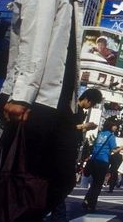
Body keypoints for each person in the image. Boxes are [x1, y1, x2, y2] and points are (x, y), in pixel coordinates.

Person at [0, 0, 102, 219]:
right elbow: (34, 41)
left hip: (60, 105)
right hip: (35, 100)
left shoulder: (74, 2)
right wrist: (20, 96)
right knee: (22, 177)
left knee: (63, 176)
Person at [49, 88, 102, 222]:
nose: (91, 107)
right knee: (61, 186)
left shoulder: (79, 111)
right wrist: (85, 126)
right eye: (92, 103)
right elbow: (65, 128)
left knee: (62, 185)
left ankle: (55, 215)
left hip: (69, 152)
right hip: (61, 152)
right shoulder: (71, 108)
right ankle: (58, 217)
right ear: (87, 99)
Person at [83, 119, 123, 211]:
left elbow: (95, 146)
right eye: (115, 125)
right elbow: (113, 150)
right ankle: (91, 205)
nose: (116, 127)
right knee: (98, 184)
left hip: (94, 160)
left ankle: (86, 200)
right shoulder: (111, 136)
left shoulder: (100, 134)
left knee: (94, 183)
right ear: (111, 126)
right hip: (103, 161)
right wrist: (120, 148)